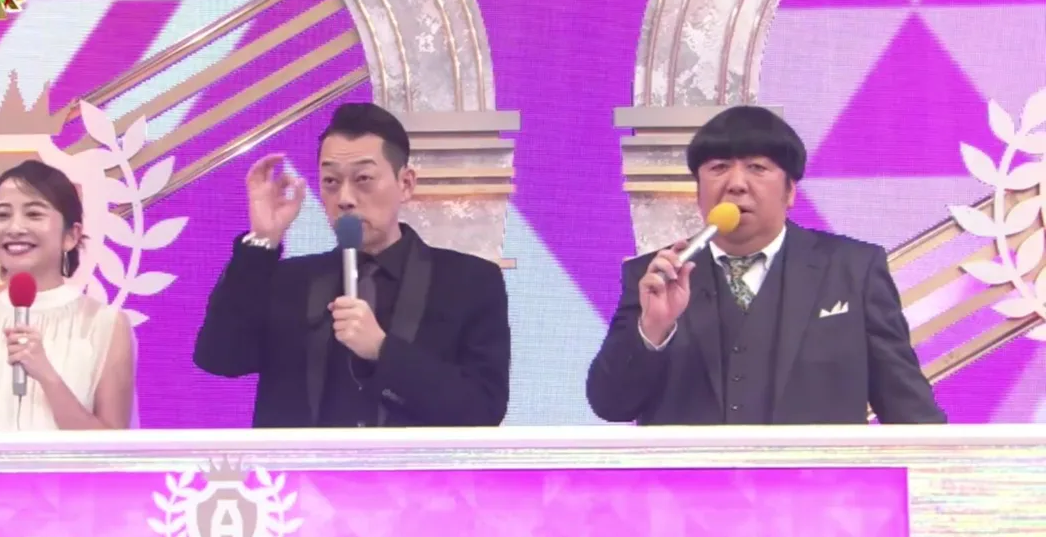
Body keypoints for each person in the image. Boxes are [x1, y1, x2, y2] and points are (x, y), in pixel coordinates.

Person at [587, 105, 946, 425]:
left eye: (757, 168)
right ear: (698, 191)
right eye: (718, 168)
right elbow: (611, 405)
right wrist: (652, 329)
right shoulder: (656, 275)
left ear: (790, 191)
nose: (736, 184)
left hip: (817, 480)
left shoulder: (853, 270)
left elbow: (908, 409)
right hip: (691, 481)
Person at [194, 102, 511, 428]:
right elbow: (220, 358)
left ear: (405, 184)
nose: (344, 198)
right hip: (304, 462)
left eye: (363, 179)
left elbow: (483, 409)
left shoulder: (469, 282)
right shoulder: (290, 281)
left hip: (410, 463)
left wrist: (382, 350)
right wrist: (263, 240)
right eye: (331, 181)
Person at [0, 159, 136, 431]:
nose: (15, 228)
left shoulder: (105, 325)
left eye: (33, 214)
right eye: (2, 215)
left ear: (71, 235)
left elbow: (113, 445)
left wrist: (47, 376)